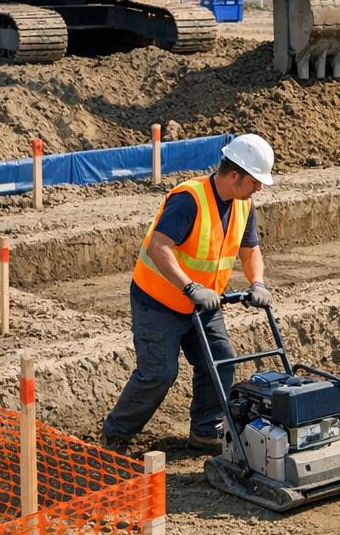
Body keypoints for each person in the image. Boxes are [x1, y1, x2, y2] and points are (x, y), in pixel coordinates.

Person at [101, 134, 276, 454]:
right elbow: (158, 246)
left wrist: (258, 283)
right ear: (235, 176)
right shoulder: (188, 199)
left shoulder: (243, 204)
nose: (259, 188)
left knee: (221, 360)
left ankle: (206, 430)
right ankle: (115, 435)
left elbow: (250, 249)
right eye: (255, 181)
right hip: (159, 301)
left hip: (202, 304)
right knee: (159, 373)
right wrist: (190, 286)